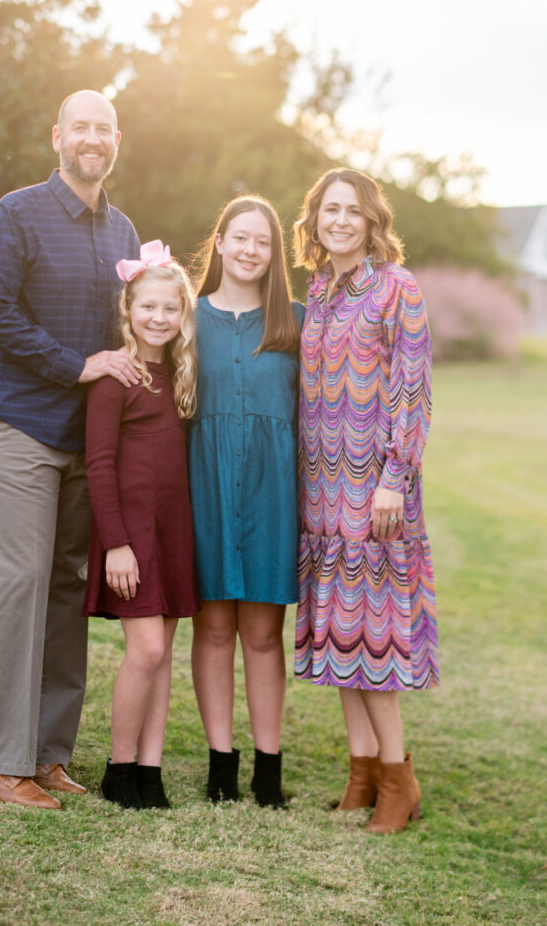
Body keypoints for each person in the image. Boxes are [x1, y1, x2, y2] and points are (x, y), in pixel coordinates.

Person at [0, 90, 141, 809]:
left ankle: (47, 754)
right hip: (20, 425)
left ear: (116, 140)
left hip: (87, 443)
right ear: (57, 137)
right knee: (19, 583)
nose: (92, 139)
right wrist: (77, 365)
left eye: (104, 128)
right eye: (81, 127)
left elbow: (133, 329)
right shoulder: (18, 213)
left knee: (69, 592)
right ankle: (0, 759)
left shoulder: (125, 231)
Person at [293, 168, 438, 834]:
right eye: (330, 209)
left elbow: (412, 391)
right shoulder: (319, 291)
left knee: (373, 644)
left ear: (371, 219)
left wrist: (393, 478)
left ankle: (399, 784)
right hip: (322, 494)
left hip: (374, 492)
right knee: (343, 645)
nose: (341, 220)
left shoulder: (395, 288)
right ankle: (361, 774)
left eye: (353, 210)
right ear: (315, 219)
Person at [189, 196, 303, 808]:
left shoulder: (295, 323)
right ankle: (220, 763)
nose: (251, 250)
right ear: (221, 242)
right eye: (241, 238)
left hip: (270, 494)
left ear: (273, 253)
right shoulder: (187, 316)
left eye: (263, 241)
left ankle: (268, 767)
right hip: (202, 487)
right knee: (211, 628)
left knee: (262, 633)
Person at [82, 242, 200, 809]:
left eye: (169, 309)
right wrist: (116, 545)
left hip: (174, 528)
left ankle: (150, 773)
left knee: (164, 652)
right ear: (128, 309)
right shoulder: (115, 377)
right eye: (147, 307)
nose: (158, 318)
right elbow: (99, 466)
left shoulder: (180, 373)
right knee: (146, 650)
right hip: (130, 533)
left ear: (183, 315)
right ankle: (118, 766)